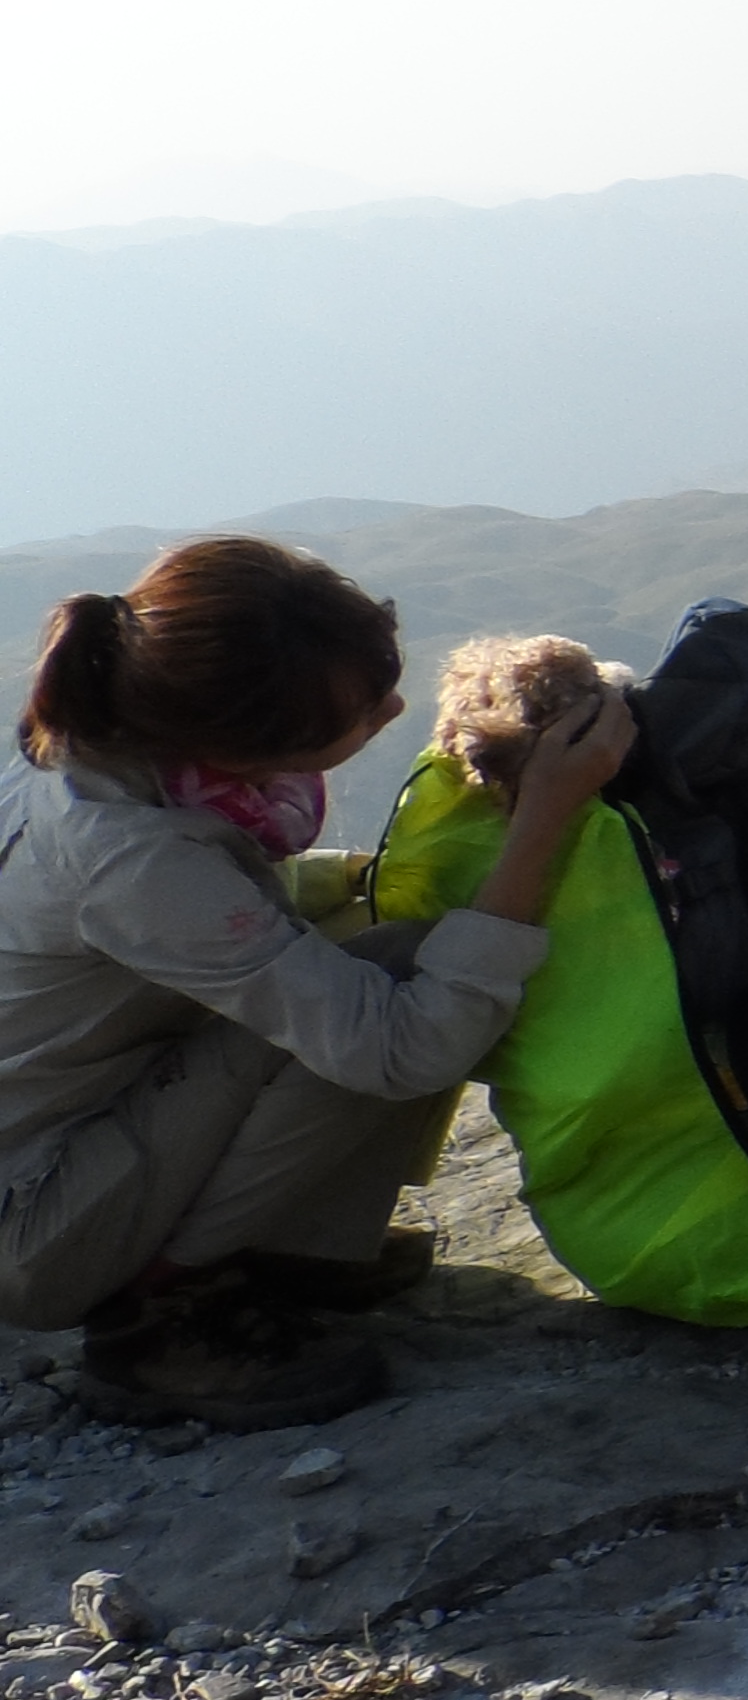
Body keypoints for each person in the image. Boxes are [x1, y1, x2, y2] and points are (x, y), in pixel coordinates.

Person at [2, 538, 633, 1427]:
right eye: (367, 712)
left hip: (50, 1133)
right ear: (248, 741)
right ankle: (161, 1313)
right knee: (410, 974)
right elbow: (402, 1048)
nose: (396, 708)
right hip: (38, 1223)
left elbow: (182, 926)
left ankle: (284, 1245)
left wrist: (344, 879)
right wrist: (544, 821)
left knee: (362, 925)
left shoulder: (92, 752)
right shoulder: (133, 855)